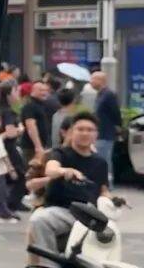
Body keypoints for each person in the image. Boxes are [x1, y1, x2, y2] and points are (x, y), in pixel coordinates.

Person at [27, 114, 112, 267]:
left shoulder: (100, 162)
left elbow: (104, 190)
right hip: (63, 211)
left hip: (89, 215)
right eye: (80, 129)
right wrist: (65, 171)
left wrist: (113, 200)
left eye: (90, 130)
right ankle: (47, 265)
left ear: (96, 134)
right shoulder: (59, 153)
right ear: (72, 132)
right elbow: (51, 169)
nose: (85, 133)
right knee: (39, 220)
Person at [0, 80, 28, 212]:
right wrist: (20, 130)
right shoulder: (8, 112)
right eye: (16, 91)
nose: (18, 94)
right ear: (9, 94)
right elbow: (10, 133)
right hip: (8, 148)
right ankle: (12, 204)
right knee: (20, 175)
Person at [91, 71, 122, 188]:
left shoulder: (109, 95)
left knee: (104, 159)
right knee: (100, 159)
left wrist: (118, 126)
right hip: (99, 133)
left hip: (106, 133)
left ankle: (107, 185)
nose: (91, 82)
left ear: (101, 80)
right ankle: (102, 183)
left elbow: (116, 113)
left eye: (93, 79)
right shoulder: (100, 95)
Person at [21, 81, 54, 166]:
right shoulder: (30, 106)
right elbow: (31, 126)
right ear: (33, 91)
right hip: (32, 147)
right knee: (32, 170)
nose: (44, 93)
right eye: (41, 90)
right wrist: (38, 146)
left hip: (42, 145)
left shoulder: (41, 105)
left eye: (45, 90)